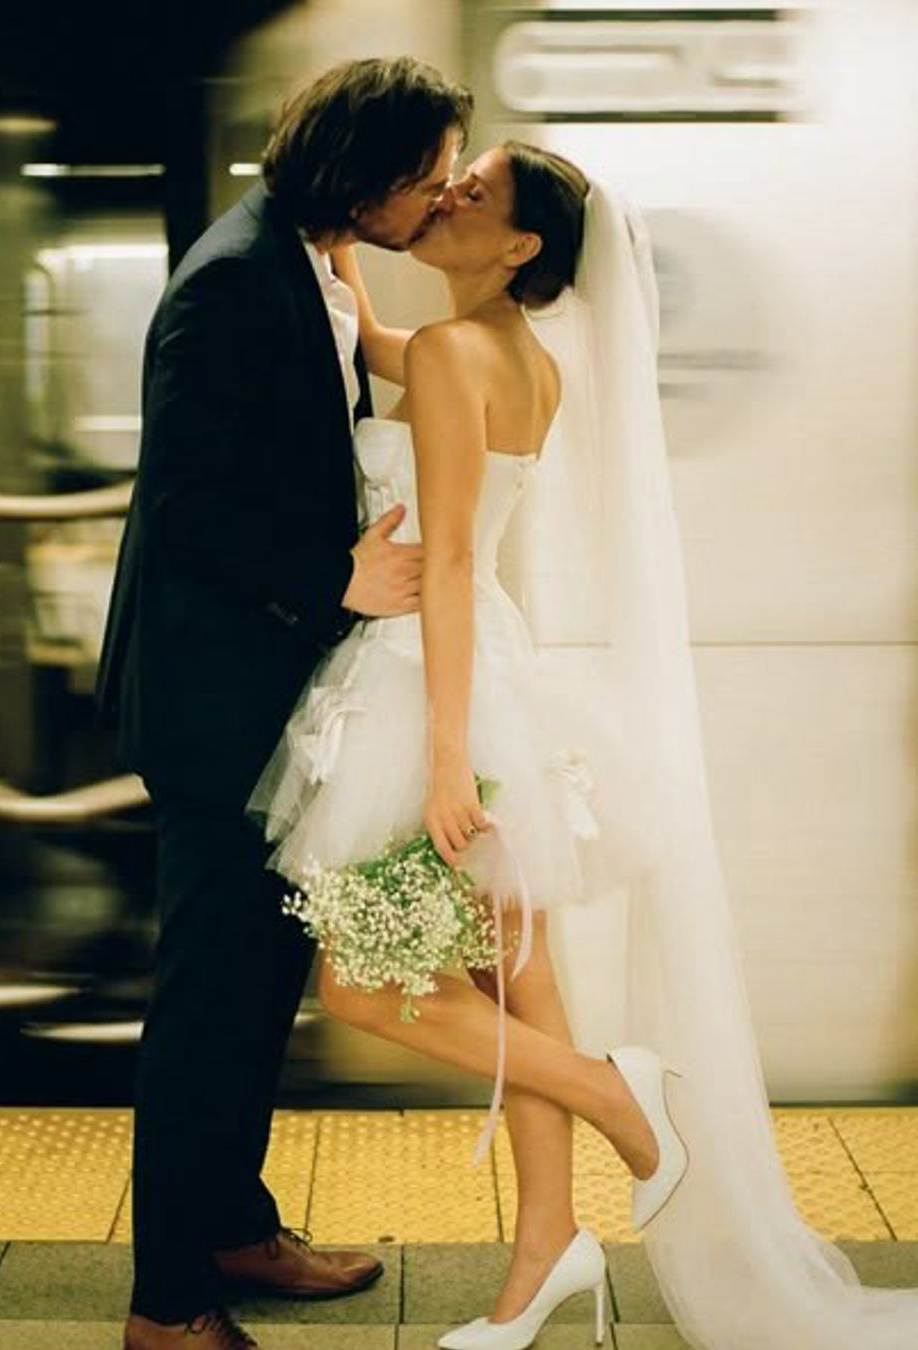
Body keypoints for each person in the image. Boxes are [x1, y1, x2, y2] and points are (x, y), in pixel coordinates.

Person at [246, 140, 918, 1350]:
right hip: (497, 679)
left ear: (519, 246)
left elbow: (453, 556)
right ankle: (547, 1253)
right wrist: (340, 257)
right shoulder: (517, 359)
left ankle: (620, 1094)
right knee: (522, 978)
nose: (448, 194)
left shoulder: (453, 354)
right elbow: (381, 357)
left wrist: (443, 760)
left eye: (475, 191)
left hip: (434, 686)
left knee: (365, 989)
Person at [95, 57, 473, 1350]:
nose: (436, 201)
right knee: (208, 1000)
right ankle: (167, 1302)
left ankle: (233, 1227)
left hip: (268, 694)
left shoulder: (310, 258)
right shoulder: (232, 284)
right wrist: (337, 578)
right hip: (214, 707)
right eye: (426, 180)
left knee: (260, 989)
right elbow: (185, 505)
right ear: (362, 176)